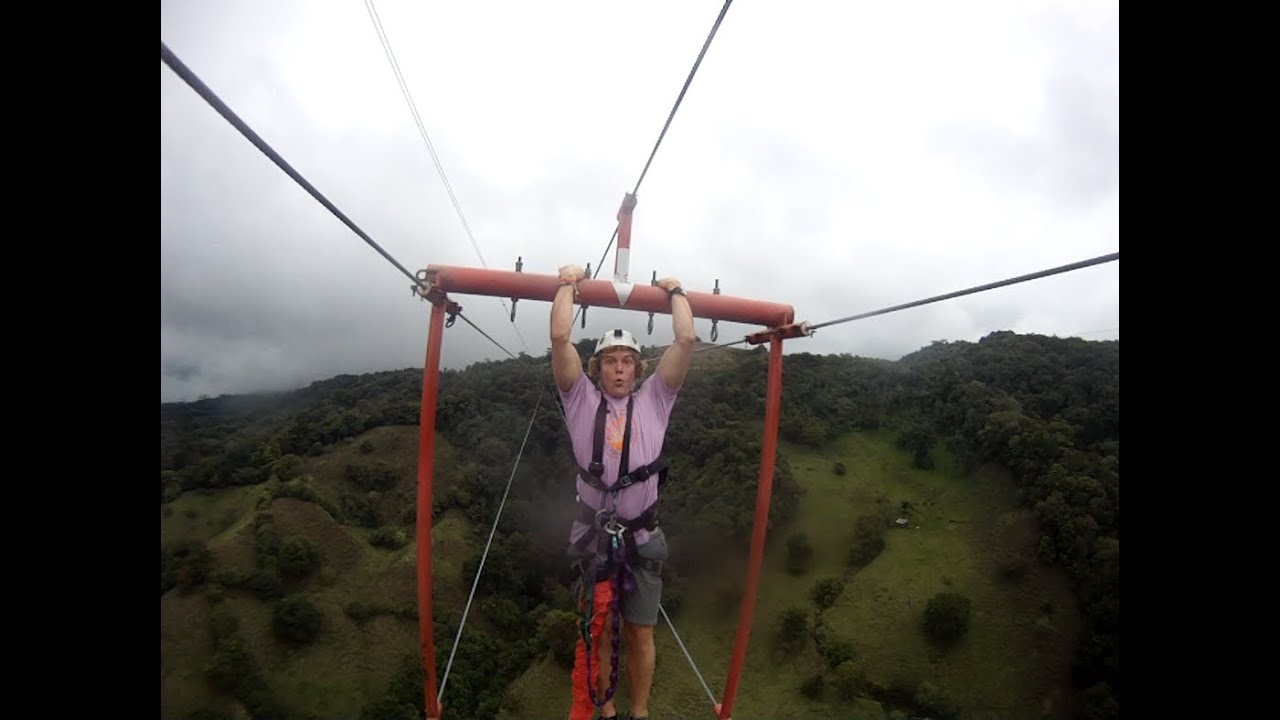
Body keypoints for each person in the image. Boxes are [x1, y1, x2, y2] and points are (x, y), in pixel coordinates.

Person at [551, 263, 695, 720]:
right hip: (593, 535)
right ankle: (608, 708)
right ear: (597, 369)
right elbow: (559, 339)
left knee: (639, 632)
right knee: (599, 629)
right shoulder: (580, 398)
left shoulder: (656, 398)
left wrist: (675, 290)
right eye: (610, 361)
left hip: (642, 535)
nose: (618, 369)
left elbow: (686, 340)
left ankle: (640, 712)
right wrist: (568, 283)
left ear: (637, 368)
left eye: (627, 361)